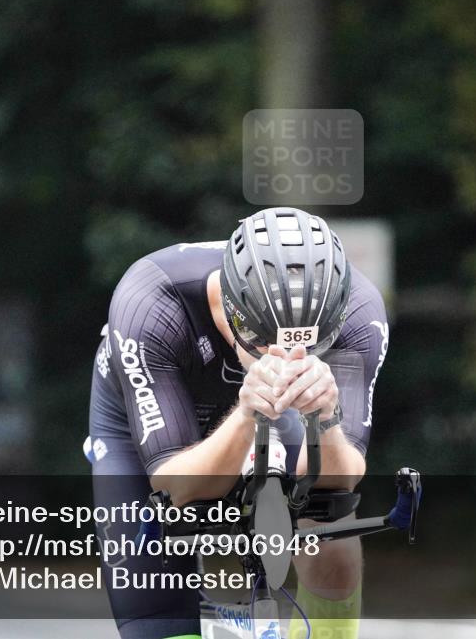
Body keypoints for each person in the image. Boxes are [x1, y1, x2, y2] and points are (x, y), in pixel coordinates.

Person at [85, 207, 389, 639]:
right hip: (148, 418)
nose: (284, 359)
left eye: (307, 345)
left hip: (274, 406)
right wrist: (246, 414)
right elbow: (176, 489)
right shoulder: (152, 302)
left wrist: (326, 418)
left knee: (332, 530)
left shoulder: (359, 311)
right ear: (230, 307)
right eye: (264, 342)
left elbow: (339, 479)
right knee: (154, 600)